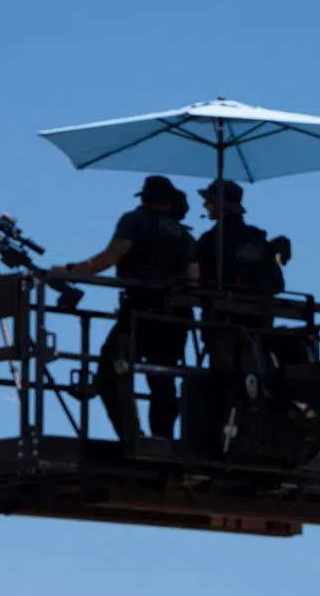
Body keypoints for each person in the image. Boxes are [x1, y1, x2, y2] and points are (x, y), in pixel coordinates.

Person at [53, 175, 198, 441]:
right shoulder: (184, 235)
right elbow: (194, 278)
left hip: (141, 311)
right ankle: (162, 439)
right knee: (163, 378)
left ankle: (132, 436)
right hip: (177, 317)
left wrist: (70, 271)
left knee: (110, 370)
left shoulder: (135, 220)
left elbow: (111, 256)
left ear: (143, 198)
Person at [194, 179, 285, 370]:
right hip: (260, 326)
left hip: (223, 327)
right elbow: (277, 284)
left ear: (221, 205)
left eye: (209, 201)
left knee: (224, 386)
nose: (205, 205)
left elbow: (196, 280)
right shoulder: (257, 238)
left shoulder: (210, 240)